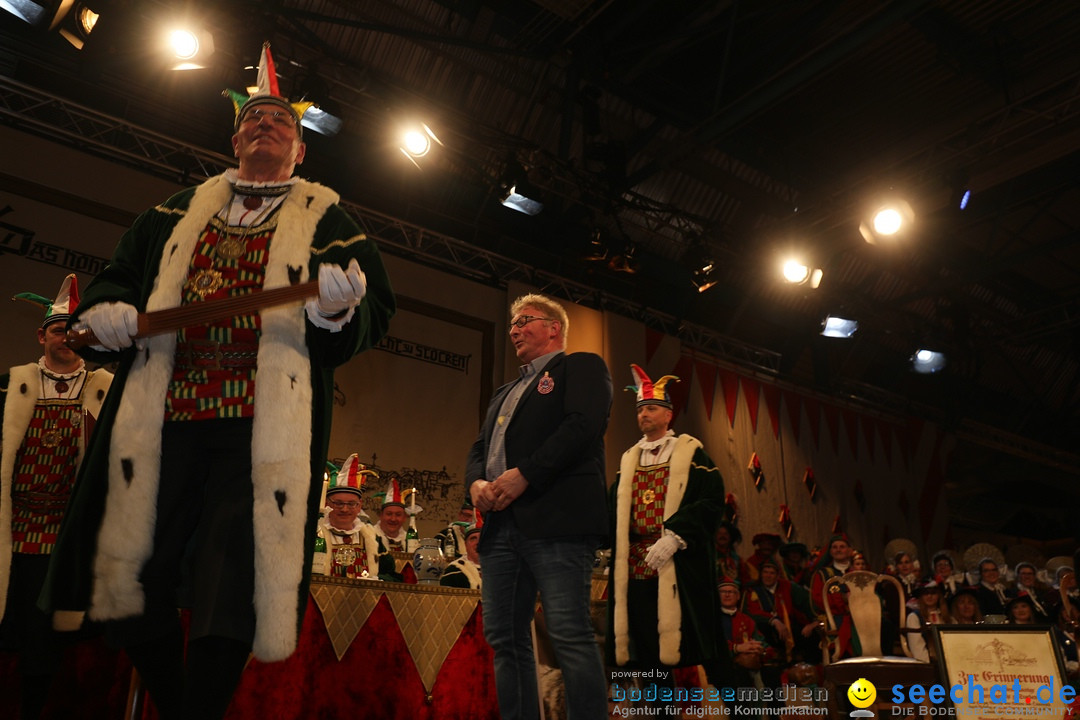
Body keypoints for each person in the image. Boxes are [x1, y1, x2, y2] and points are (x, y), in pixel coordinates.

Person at [42, 46, 394, 720]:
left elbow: (373, 309)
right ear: (234, 138)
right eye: (254, 118)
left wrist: (334, 311)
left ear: (301, 151)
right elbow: (118, 278)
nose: (266, 125)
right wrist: (109, 312)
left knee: (233, 586)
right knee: (126, 574)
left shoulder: (331, 223)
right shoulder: (173, 213)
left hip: (258, 434)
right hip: (163, 419)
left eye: (280, 122)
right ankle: (178, 704)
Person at [466, 293, 611, 720]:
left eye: (524, 320)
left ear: (554, 328)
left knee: (568, 633)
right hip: (500, 527)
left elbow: (583, 426)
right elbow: (479, 448)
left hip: (558, 521)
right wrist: (475, 482)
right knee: (505, 638)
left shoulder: (581, 366)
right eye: (511, 323)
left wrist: (525, 473)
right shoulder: (503, 392)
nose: (513, 329)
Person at [1, 275, 113, 720]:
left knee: (49, 638)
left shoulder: (110, 391)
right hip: (11, 530)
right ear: (40, 335)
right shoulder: (8, 388)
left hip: (70, 539)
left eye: (74, 330)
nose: (65, 339)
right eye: (56, 330)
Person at [608, 364, 725, 692]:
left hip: (681, 569)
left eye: (652, 409)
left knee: (705, 649)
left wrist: (676, 536)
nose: (644, 415)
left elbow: (712, 501)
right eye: (640, 410)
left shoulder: (692, 455)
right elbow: (612, 509)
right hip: (637, 569)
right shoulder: (629, 459)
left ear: (668, 415)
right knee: (648, 657)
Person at [319, 454, 394, 580]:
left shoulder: (372, 538)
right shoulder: (315, 534)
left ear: (359, 506)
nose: (345, 509)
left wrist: (375, 580)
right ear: (327, 503)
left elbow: (393, 576)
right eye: (338, 503)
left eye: (351, 504)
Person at [905, 580, 950, 662]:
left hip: (949, 662)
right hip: (926, 665)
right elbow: (917, 649)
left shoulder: (948, 617)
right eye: (925, 593)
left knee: (970, 675)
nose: (929, 596)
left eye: (933, 593)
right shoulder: (914, 617)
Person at [440, 514, 483, 590]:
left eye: (482, 538)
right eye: (473, 538)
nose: (478, 542)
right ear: (465, 545)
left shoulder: (500, 570)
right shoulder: (454, 571)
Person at [373, 477, 412, 551]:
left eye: (398, 515)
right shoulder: (370, 537)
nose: (393, 519)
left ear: (404, 518)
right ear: (381, 515)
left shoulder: (410, 541)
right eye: (389, 514)